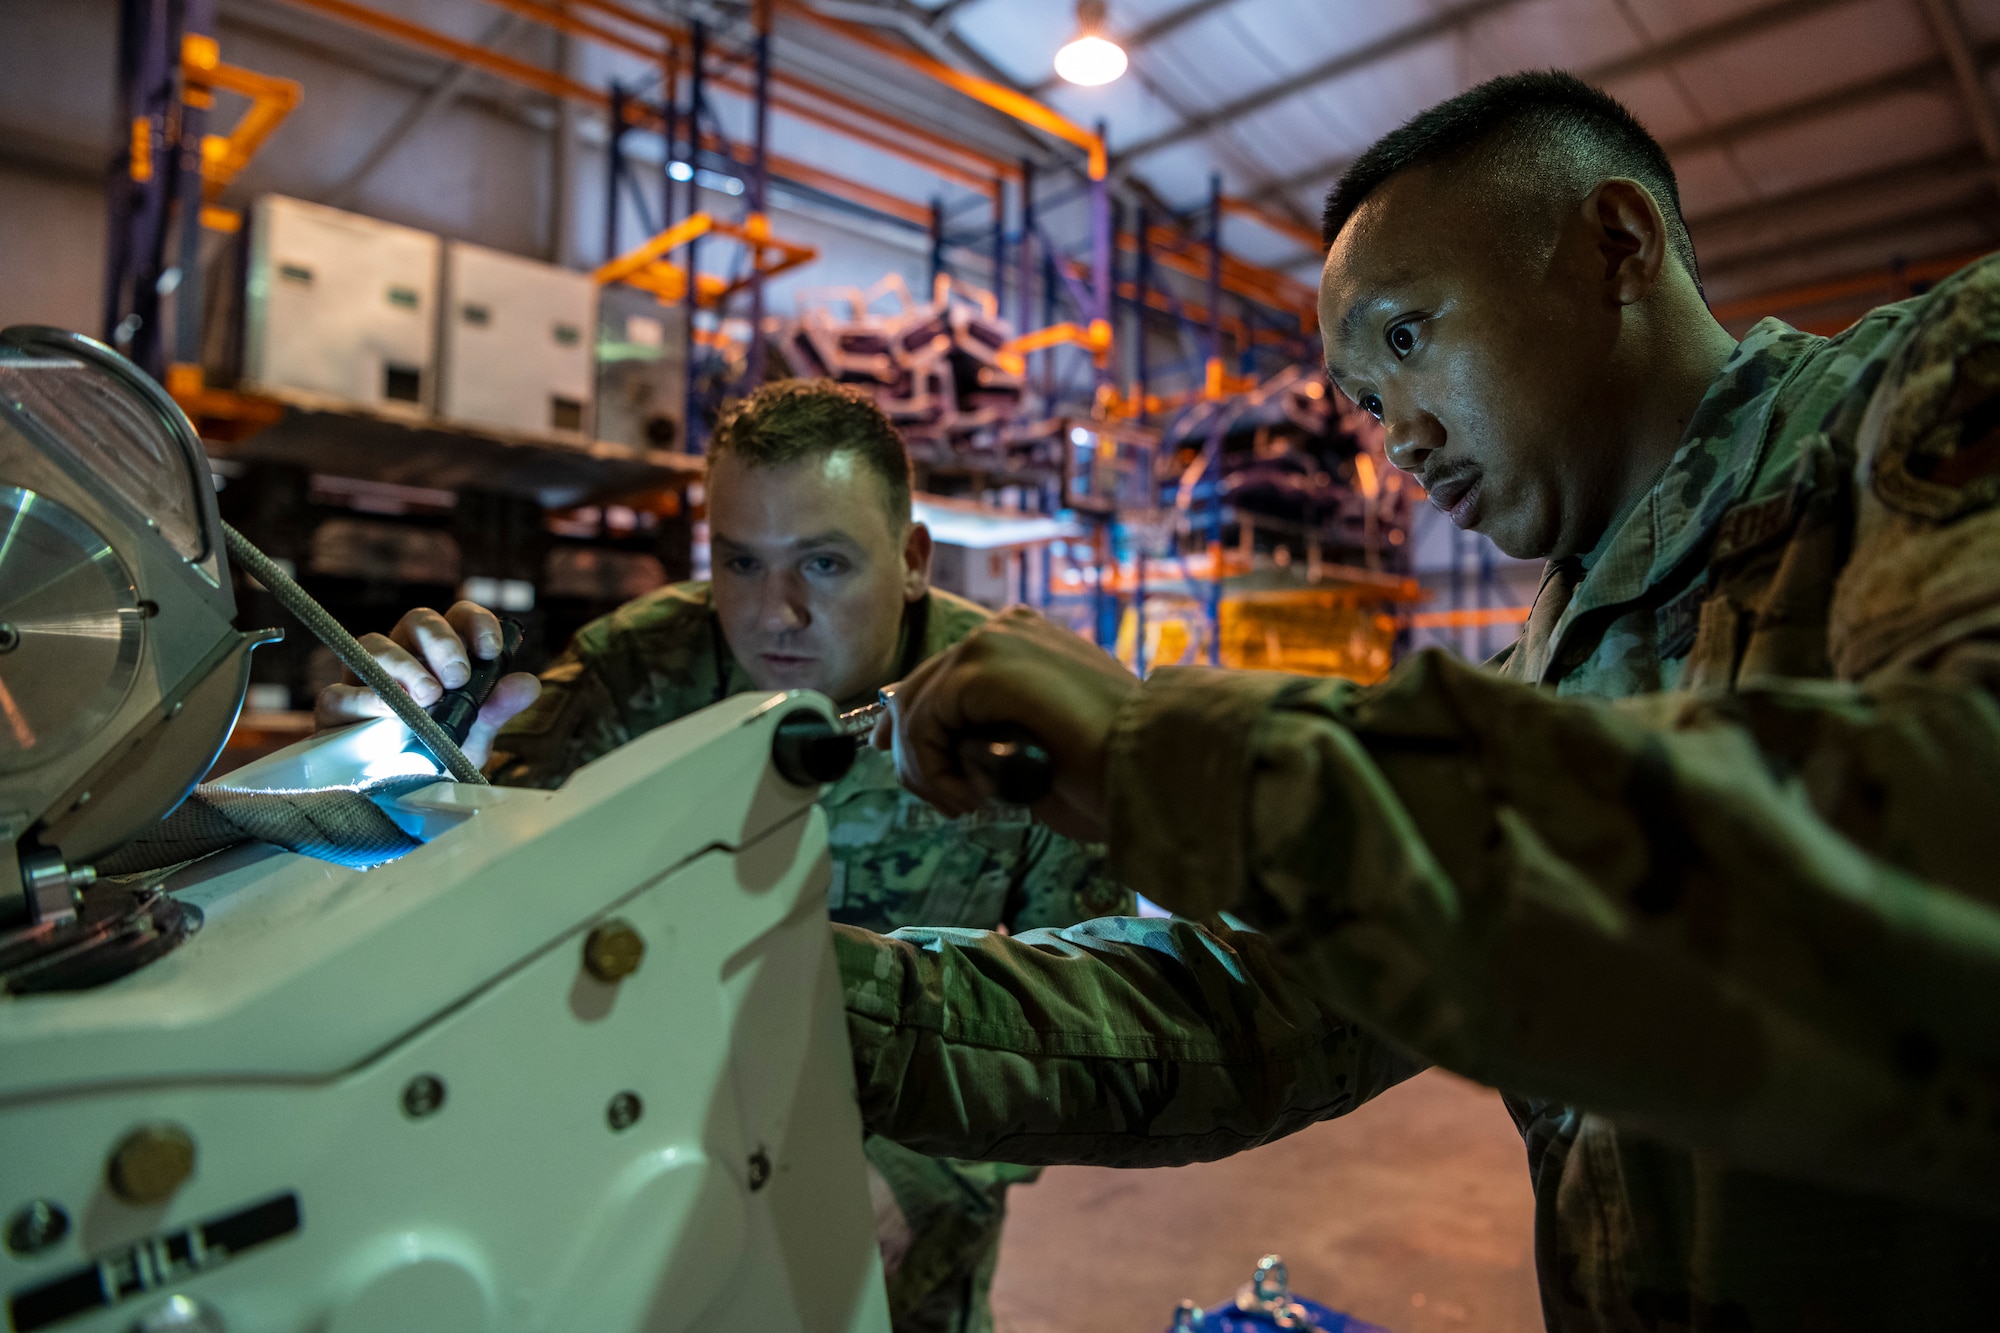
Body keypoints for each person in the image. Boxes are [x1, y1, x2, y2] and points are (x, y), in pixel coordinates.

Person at [839, 72, 2000, 1330]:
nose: (1394, 440)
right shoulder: (1547, 669)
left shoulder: (1925, 389)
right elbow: (1258, 1001)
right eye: (1363, 399)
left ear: (1615, 246)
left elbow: (1950, 847)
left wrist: (1195, 760)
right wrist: (819, 1008)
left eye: (1405, 338)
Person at [316, 379, 1130, 1333]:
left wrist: (920, 1173)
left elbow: (1089, 1002)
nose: (774, 612)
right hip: (652, 1192)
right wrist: (407, 760)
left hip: (901, 1251)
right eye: (740, 562)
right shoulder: (639, 666)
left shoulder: (1012, 706)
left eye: (823, 564)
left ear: (912, 559)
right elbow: (481, 856)